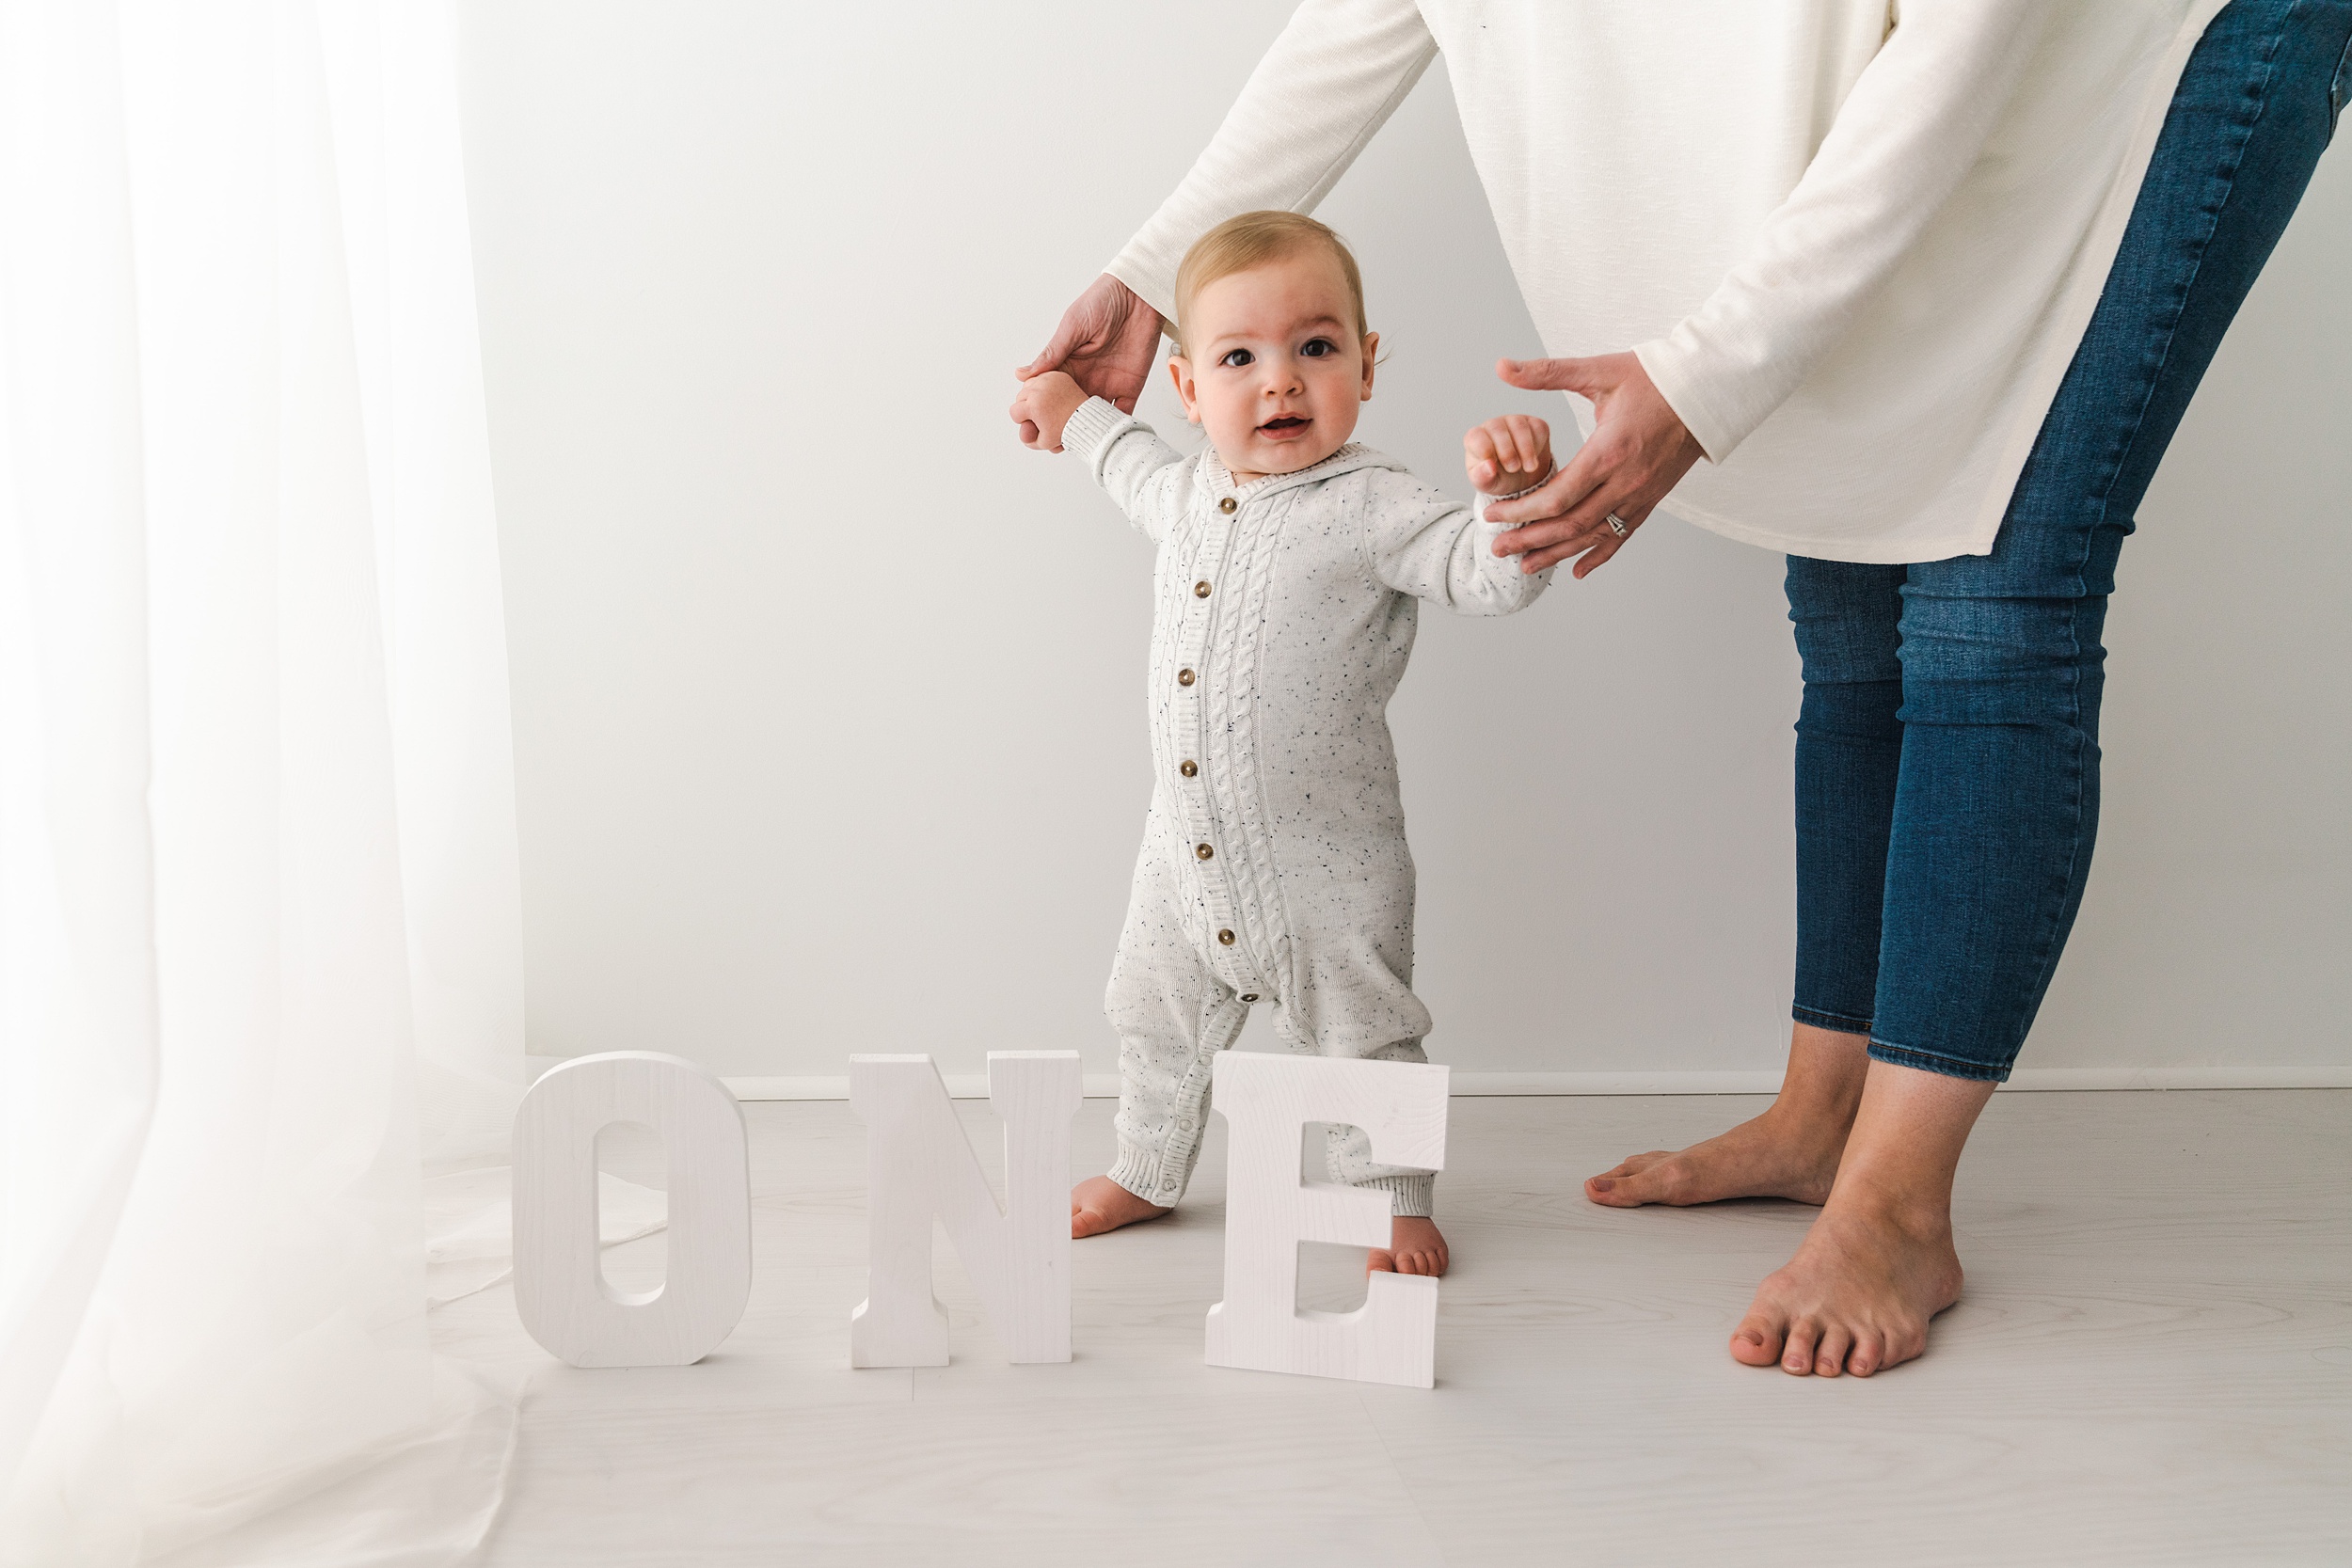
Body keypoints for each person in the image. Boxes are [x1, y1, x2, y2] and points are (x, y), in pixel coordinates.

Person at [1020, 0, 2352, 1374]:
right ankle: (1820, 1111)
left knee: (1992, 610)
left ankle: (1895, 1203)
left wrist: (1710, 373)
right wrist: (1153, 270)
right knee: (1849, 597)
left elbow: (1968, 47)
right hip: (1880, 102)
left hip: (2130, 49)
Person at [1010, 211, 1563, 1276]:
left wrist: (1514, 499)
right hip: (1180, 854)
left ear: (1366, 362)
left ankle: (1394, 1199)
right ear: (1187, 389)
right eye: (1239, 358)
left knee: (1366, 1031)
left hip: (1330, 868)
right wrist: (1066, 406)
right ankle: (1145, 1165)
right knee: (1151, 1013)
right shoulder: (1183, 494)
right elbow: (1119, 457)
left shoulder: (1375, 505)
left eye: (1316, 348)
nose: (1281, 382)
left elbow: (1491, 576)